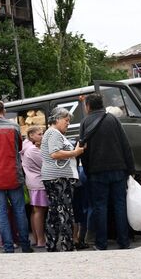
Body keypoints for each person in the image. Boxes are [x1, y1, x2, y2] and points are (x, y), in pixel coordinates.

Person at [80, 93, 134, 250]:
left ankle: (101, 243)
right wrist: (130, 169)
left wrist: (88, 171)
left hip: (97, 172)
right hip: (118, 169)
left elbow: (83, 150)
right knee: (120, 205)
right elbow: (125, 145)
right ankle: (124, 242)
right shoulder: (113, 119)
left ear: (88, 106)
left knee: (100, 207)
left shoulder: (85, 122)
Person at [0, 100, 33, 254]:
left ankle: (8, 247)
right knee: (20, 211)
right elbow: (19, 147)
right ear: (4, 111)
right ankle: (25, 245)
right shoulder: (14, 127)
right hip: (14, 175)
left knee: (1, 213)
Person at [40, 107, 84, 252]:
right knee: (65, 212)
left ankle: (51, 245)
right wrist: (75, 152)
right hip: (58, 178)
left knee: (54, 213)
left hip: (52, 176)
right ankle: (67, 245)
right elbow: (55, 153)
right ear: (57, 119)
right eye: (66, 120)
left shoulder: (52, 132)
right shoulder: (54, 133)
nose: (68, 123)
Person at [21, 126, 46, 248]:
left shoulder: (26, 145)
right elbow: (45, 162)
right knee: (39, 211)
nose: (42, 136)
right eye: (40, 134)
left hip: (31, 181)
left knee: (34, 211)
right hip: (38, 182)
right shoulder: (33, 150)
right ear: (31, 135)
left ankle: (37, 238)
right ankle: (41, 240)